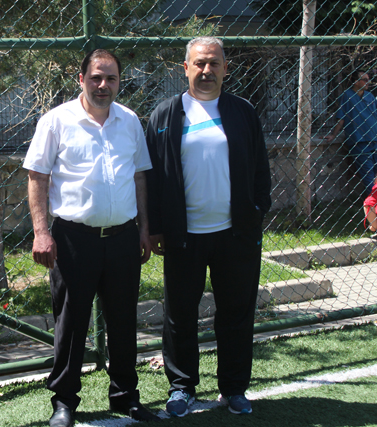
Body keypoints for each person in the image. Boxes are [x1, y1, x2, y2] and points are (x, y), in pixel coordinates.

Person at [24, 49, 159, 427]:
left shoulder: (129, 121)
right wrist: (41, 232)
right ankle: (64, 402)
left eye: (111, 78)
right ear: (81, 79)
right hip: (73, 240)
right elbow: (37, 175)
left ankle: (125, 396)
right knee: (71, 324)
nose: (103, 85)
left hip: (123, 238)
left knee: (123, 321)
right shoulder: (56, 121)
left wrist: (144, 229)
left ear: (119, 81)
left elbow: (140, 176)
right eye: (96, 77)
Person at [145, 36, 271, 417]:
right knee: (180, 315)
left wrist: (256, 211)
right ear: (185, 68)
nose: (206, 70)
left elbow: (260, 170)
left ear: (225, 69)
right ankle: (182, 387)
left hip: (236, 235)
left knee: (236, 314)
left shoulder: (243, 112)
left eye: (214, 63)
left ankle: (233, 388)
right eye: (199, 63)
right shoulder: (165, 115)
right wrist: (155, 226)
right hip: (183, 237)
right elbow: (151, 177)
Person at [325, 70, 377, 196]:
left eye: (368, 79)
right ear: (355, 81)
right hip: (359, 141)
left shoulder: (370, 96)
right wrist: (334, 134)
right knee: (368, 175)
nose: (368, 82)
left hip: (374, 138)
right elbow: (341, 118)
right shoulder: (347, 96)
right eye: (364, 80)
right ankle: (373, 203)